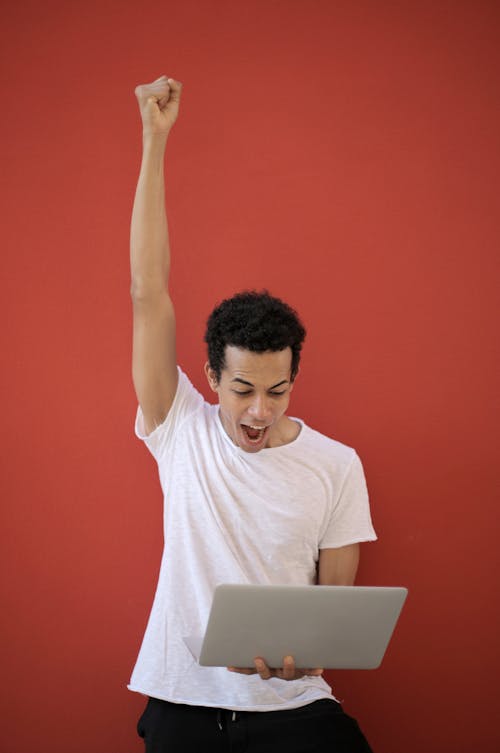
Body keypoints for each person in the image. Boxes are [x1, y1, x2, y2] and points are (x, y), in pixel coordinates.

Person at [129, 74, 377, 753]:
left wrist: (310, 656)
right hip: (185, 704)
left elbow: (331, 620)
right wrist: (155, 141)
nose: (260, 411)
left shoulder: (336, 464)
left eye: (278, 389)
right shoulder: (180, 425)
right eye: (241, 389)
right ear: (210, 377)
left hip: (295, 710)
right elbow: (148, 292)